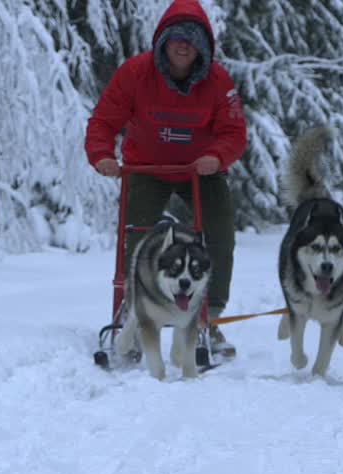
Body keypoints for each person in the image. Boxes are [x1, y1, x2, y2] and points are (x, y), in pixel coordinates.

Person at [84, 0, 248, 356]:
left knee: (218, 235)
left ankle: (209, 316)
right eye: (175, 37)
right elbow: (103, 121)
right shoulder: (134, 73)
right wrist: (102, 156)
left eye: (191, 39)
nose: (182, 44)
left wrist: (216, 157)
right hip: (146, 169)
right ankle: (133, 311)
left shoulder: (218, 81)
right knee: (137, 236)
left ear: (202, 45)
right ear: (162, 40)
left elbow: (234, 132)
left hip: (200, 171)